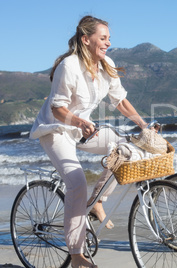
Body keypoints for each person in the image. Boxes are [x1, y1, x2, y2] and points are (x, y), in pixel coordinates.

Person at [30, 16, 150, 268]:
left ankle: (96, 203)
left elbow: (120, 101)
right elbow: (58, 108)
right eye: (103, 38)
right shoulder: (69, 66)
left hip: (82, 128)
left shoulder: (107, 64)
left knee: (125, 150)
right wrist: (79, 122)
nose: (108, 43)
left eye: (109, 39)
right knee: (76, 182)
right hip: (56, 129)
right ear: (86, 39)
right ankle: (76, 255)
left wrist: (144, 125)